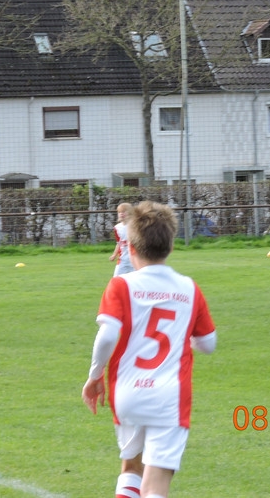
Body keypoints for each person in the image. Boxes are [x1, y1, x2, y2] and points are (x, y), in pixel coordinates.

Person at [82, 200, 217, 498]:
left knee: (131, 466)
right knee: (156, 484)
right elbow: (209, 344)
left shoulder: (121, 285)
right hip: (169, 396)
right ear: (170, 247)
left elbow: (107, 336)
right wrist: (190, 337)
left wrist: (95, 375)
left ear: (130, 247)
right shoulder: (189, 287)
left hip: (128, 393)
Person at [108, 202, 134, 277]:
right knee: (116, 278)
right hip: (123, 260)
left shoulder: (134, 226)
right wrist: (114, 255)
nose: (121, 214)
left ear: (130, 213)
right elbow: (119, 243)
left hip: (134, 259)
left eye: (124, 212)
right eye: (119, 212)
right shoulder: (117, 228)